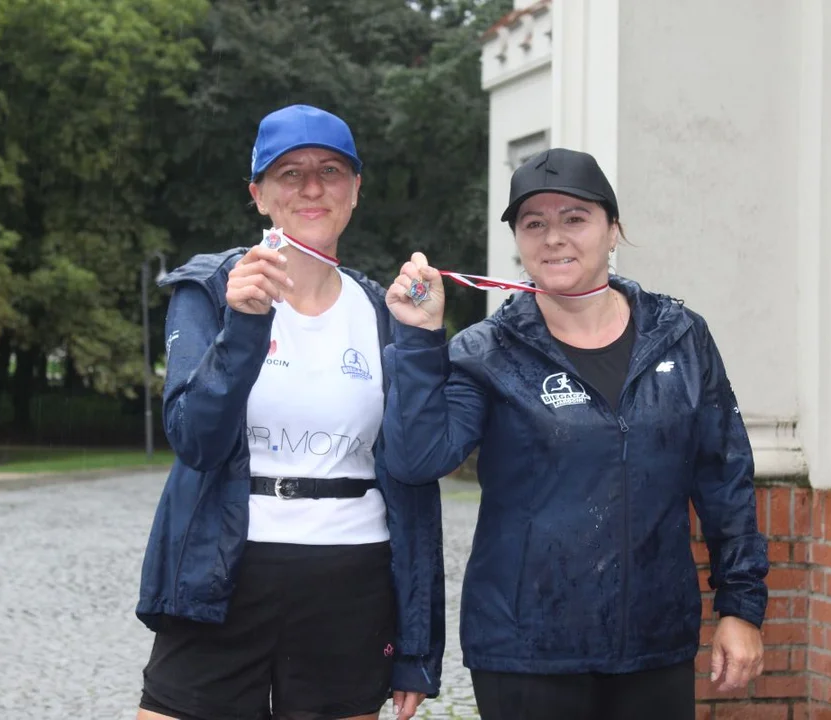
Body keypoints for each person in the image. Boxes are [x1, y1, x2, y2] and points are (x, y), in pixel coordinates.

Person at [382, 148, 769, 719]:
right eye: (534, 223)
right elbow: (417, 460)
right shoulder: (486, 352)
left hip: (652, 643)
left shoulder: (680, 337)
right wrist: (419, 340)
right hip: (525, 651)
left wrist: (741, 607)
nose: (553, 237)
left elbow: (725, 480)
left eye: (574, 218)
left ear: (613, 229)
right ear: (517, 240)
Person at [134, 104, 444, 720]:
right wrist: (244, 326)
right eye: (288, 172)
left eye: (330, 170)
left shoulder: (385, 311)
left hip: (349, 574)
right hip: (224, 567)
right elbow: (195, 440)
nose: (310, 187)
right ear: (258, 194)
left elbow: (415, 469)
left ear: (356, 189)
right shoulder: (212, 291)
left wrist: (416, 646)